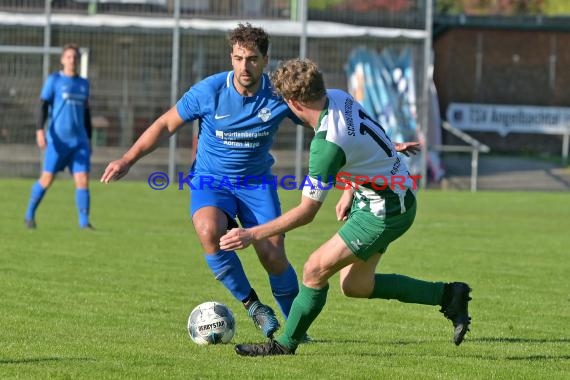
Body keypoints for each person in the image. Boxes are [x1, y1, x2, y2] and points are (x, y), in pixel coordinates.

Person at [220, 58, 472, 356]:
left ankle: (285, 345)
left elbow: (307, 212)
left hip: (385, 210)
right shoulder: (338, 97)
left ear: (294, 103)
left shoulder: (326, 146)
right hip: (386, 195)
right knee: (355, 285)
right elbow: (364, 140)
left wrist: (252, 235)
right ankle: (449, 295)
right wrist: (350, 189)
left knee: (314, 269)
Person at [101, 23, 303, 339]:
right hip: (211, 181)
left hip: (256, 184)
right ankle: (254, 307)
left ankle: (296, 328)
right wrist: (128, 159)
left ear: (265, 59)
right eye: (238, 58)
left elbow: (322, 120)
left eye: (251, 58)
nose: (244, 66)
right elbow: (166, 124)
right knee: (209, 230)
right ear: (230, 57)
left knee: (273, 255)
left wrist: (374, 148)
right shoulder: (209, 91)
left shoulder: (279, 95)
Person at [25, 43, 94, 230]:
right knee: (47, 179)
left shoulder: (84, 84)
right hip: (58, 141)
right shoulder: (54, 80)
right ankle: (29, 214)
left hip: (79, 142)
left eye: (75, 57)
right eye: (69, 56)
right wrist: (40, 130)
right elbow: (43, 106)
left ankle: (84, 224)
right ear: (63, 59)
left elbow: (87, 115)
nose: (72, 60)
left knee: (82, 179)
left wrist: (89, 138)